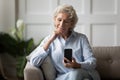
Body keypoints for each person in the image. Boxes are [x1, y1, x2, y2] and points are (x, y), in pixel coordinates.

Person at [30, 4, 100, 80]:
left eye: (66, 21)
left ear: (71, 24)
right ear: (55, 19)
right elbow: (34, 61)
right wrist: (50, 40)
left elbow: (92, 62)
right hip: (63, 78)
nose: (61, 24)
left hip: (83, 73)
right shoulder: (49, 40)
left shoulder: (81, 38)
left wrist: (77, 65)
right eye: (59, 20)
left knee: (76, 73)